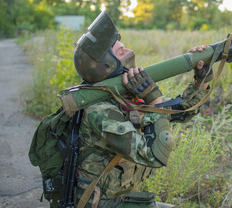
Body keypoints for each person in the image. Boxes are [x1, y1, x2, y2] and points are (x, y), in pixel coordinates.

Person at [70, 11, 213, 208]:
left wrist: (200, 82)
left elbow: (177, 114)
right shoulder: (99, 110)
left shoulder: (121, 96)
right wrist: (153, 99)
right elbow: (154, 156)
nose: (129, 51)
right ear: (107, 65)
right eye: (121, 51)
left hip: (119, 197)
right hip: (101, 203)